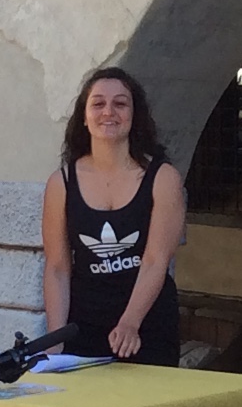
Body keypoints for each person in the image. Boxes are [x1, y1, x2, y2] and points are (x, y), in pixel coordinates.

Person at [42, 67, 187, 366]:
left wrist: (130, 323)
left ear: (135, 115)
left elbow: (156, 260)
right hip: (83, 327)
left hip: (146, 326)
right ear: (84, 116)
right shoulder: (61, 183)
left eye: (120, 103)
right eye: (98, 103)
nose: (108, 112)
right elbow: (57, 267)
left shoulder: (163, 177)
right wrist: (55, 340)